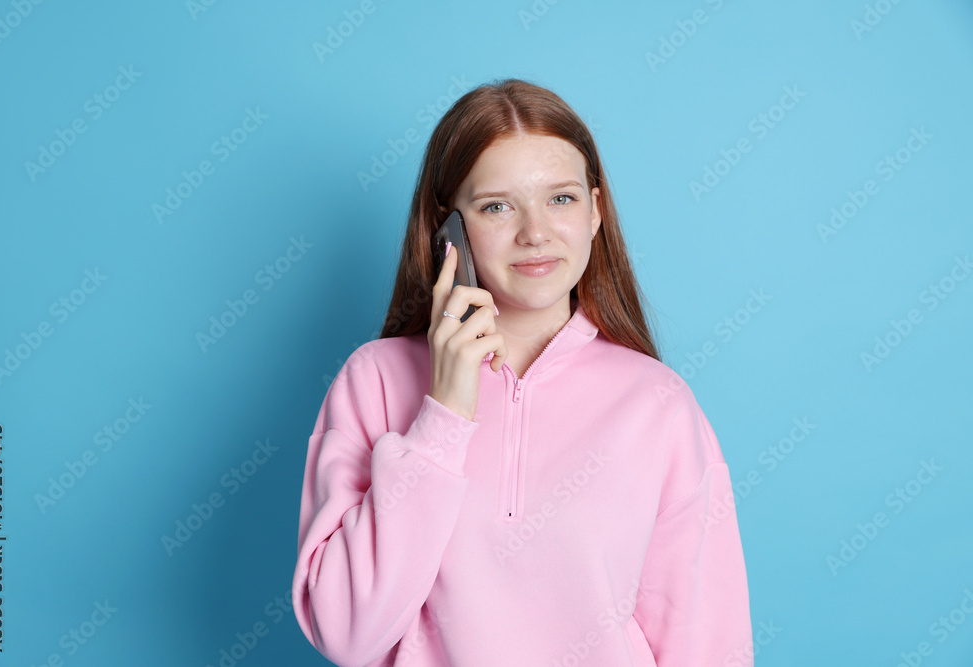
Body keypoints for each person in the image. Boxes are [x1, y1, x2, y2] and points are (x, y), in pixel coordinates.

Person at [292, 78, 753, 666]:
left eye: (561, 199)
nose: (535, 232)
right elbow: (347, 635)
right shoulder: (374, 381)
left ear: (595, 211)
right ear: (448, 229)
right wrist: (443, 417)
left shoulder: (658, 403)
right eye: (497, 206)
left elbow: (707, 645)